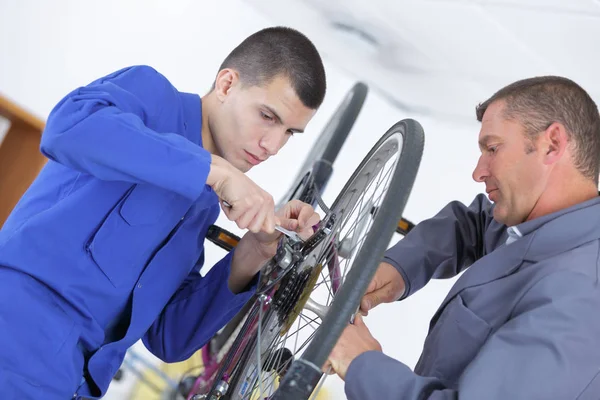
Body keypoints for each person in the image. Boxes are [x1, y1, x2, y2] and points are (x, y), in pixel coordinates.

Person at [0, 26, 325, 399]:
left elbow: (170, 338)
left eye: (289, 133)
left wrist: (256, 251)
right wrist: (215, 172)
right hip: (16, 343)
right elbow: (68, 128)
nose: (272, 146)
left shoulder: (201, 209)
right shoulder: (151, 97)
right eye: (267, 116)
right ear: (226, 84)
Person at [326, 76, 600, 399]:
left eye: (493, 148)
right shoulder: (543, 225)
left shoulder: (579, 300)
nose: (478, 172)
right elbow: (472, 224)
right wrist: (398, 269)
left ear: (552, 144)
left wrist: (362, 364)